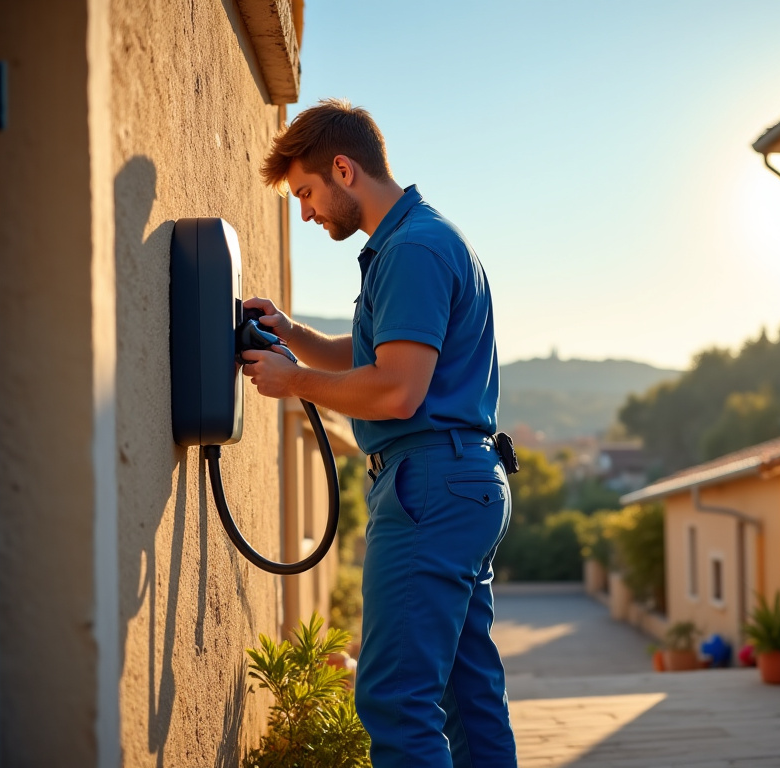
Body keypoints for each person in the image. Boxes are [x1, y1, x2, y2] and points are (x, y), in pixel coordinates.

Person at [240, 98, 518, 768]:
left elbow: (396, 389)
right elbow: (381, 355)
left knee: (396, 697)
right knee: (467, 696)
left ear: (344, 168)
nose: (305, 211)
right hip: (463, 482)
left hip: (429, 486)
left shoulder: (412, 250)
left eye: (306, 192)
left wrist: (294, 381)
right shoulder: (420, 237)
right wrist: (296, 338)